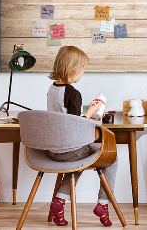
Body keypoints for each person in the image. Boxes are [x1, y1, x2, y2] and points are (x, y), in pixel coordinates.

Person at [47, 46, 117, 227]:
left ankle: (59, 202)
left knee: (77, 162)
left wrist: (87, 113)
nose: (82, 73)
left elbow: (64, 118)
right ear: (73, 69)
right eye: (82, 69)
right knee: (112, 158)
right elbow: (75, 125)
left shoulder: (52, 89)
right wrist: (92, 112)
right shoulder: (73, 93)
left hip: (53, 150)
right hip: (70, 150)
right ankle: (103, 204)